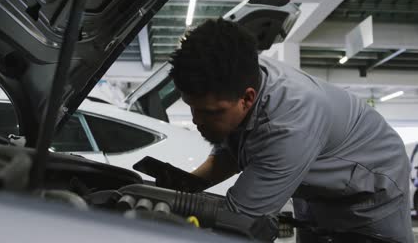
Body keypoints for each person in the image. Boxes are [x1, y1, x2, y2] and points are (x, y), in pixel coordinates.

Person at [168, 18, 413, 242]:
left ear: (247, 99)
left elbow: (238, 220)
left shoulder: (288, 127)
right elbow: (232, 151)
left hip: (371, 190)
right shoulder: (236, 73)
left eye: (211, 112)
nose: (197, 120)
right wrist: (187, 185)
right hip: (317, 188)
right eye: (192, 107)